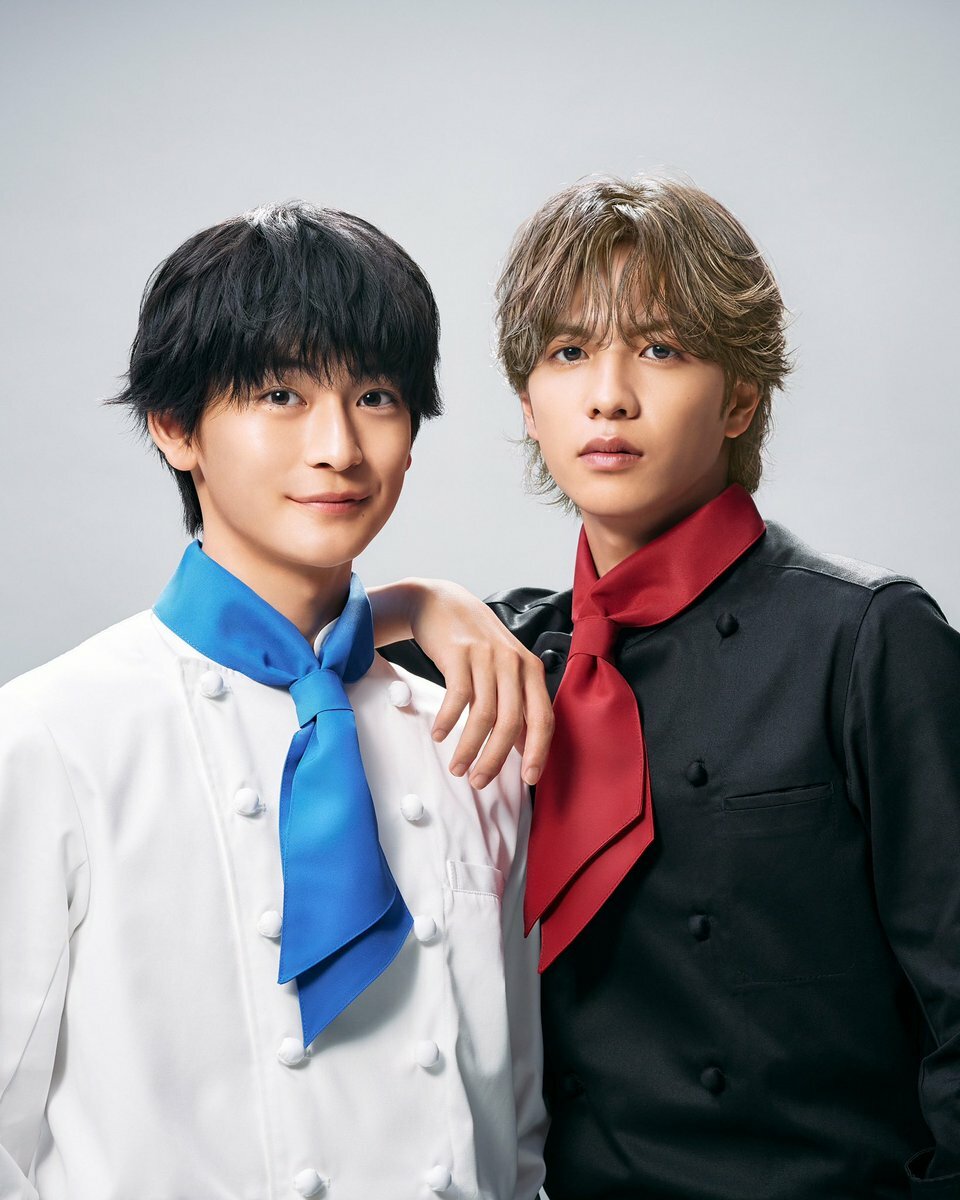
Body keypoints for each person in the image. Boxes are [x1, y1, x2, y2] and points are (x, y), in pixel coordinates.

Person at [385, 176, 960, 1198]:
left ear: (740, 397)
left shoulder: (869, 638)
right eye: (569, 353)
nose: (608, 395)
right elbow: (259, 648)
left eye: (660, 348)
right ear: (529, 404)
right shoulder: (507, 657)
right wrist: (414, 601)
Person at [0, 202, 547, 1199]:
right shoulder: (51, 738)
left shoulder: (469, 744)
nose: (338, 446)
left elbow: (513, 1127)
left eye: (375, 395)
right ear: (176, 427)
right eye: (281, 394)